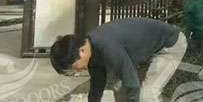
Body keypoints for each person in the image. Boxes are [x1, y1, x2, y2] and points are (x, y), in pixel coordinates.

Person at [50, 17, 186, 102]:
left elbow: (132, 83)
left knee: (147, 94)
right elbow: (97, 86)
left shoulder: (106, 46)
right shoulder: (91, 50)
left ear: (81, 51)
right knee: (120, 91)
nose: (77, 72)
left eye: (74, 68)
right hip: (146, 52)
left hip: (169, 46)